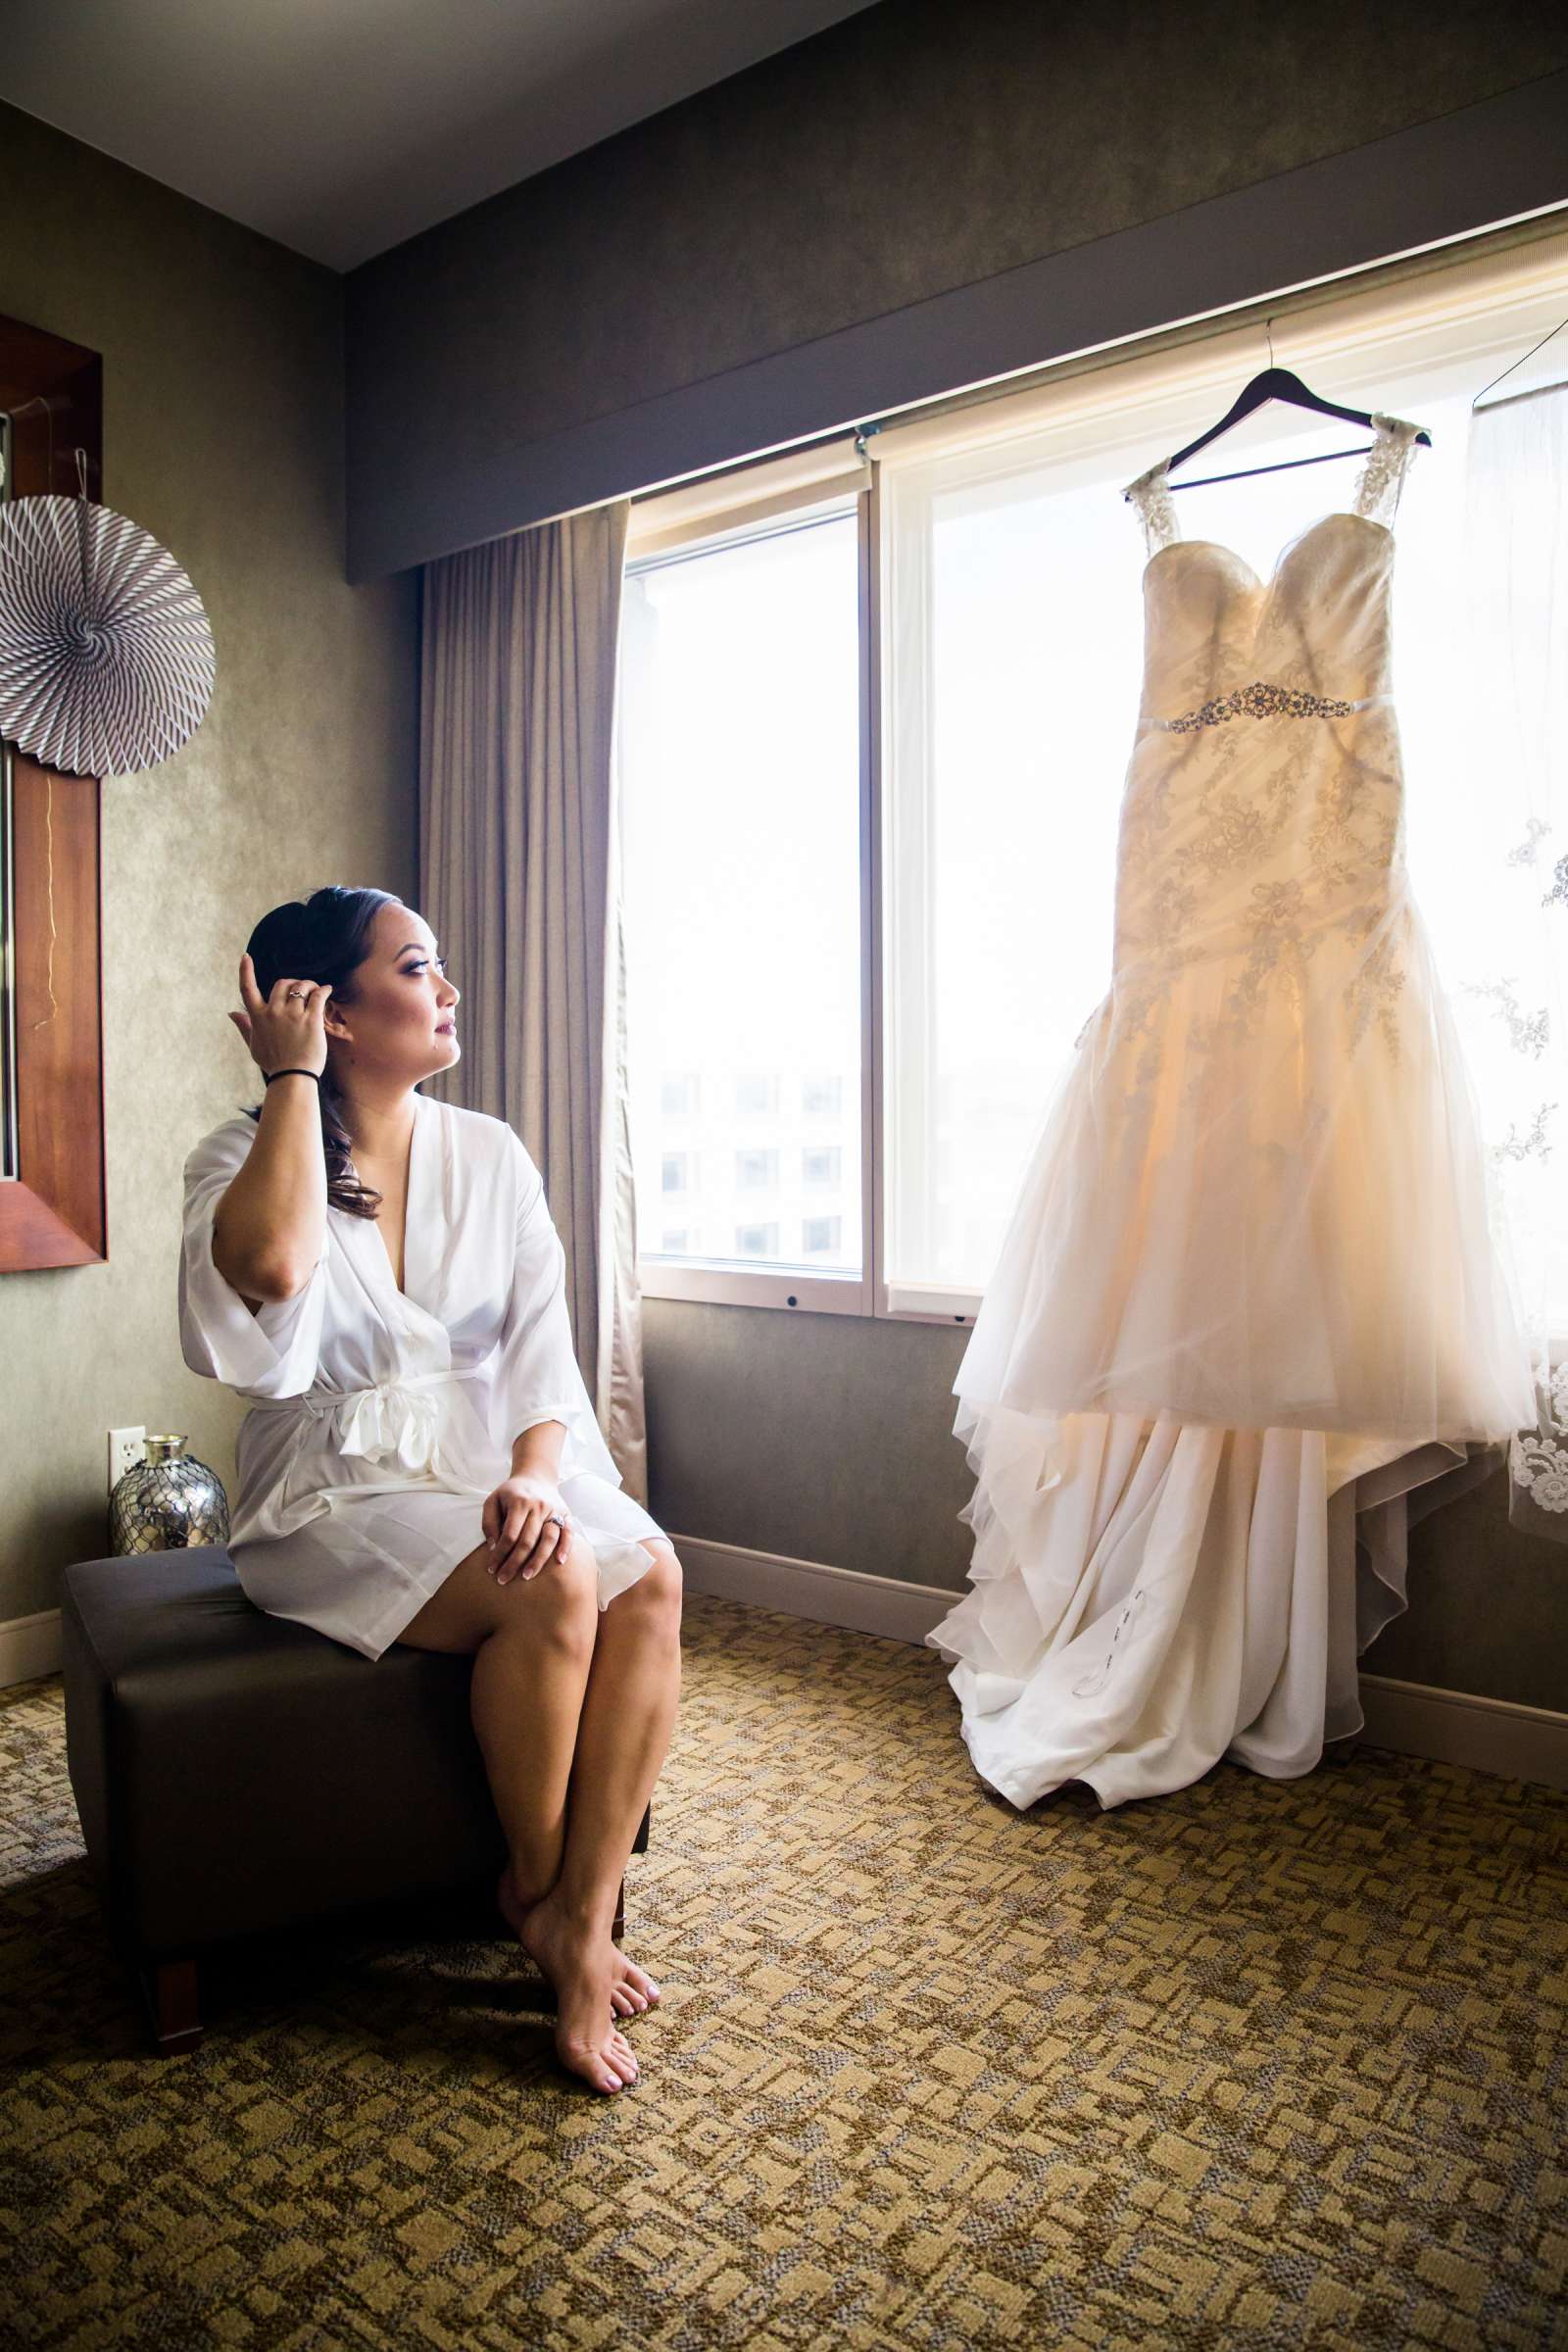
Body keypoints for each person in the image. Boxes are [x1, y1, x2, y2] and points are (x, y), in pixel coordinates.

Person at [178, 884, 679, 2097]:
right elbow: (270, 1266)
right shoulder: (241, 1153)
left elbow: (542, 1357)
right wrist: (292, 1085)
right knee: (553, 1584)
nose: (449, 988)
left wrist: (531, 1472)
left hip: (483, 1458)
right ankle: (539, 1888)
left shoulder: (490, 1152)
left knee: (651, 1572)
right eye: (416, 967)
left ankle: (581, 1907)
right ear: (331, 1012)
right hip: (332, 1491)